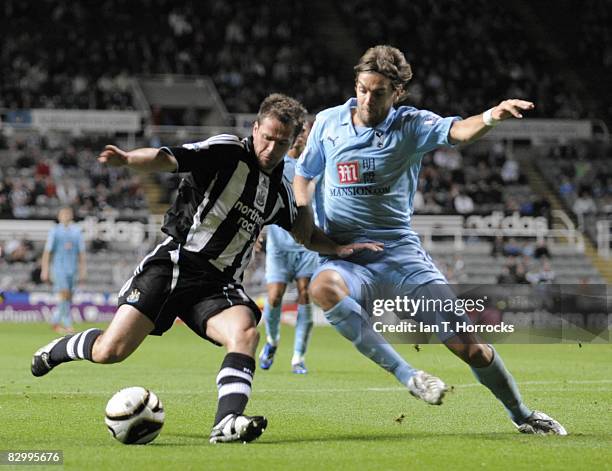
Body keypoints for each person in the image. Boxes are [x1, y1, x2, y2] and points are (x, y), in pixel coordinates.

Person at [31, 94, 381, 444]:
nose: (272, 148)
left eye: (282, 142)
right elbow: (170, 158)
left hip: (218, 284)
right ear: (255, 128)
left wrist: (336, 246)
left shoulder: (280, 193)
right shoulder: (227, 151)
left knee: (245, 333)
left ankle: (227, 421)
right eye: (268, 137)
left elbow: (305, 234)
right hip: (175, 264)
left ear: (293, 143)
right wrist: (128, 160)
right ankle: (56, 350)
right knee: (110, 351)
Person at [292, 45, 566, 435]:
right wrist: (306, 218)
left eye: (379, 92)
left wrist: (492, 115)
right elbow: (304, 174)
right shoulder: (329, 123)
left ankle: (522, 414)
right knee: (322, 288)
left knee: (468, 346)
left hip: (400, 255)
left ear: (398, 92)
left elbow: (457, 131)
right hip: (346, 255)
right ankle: (409, 376)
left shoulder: (412, 124)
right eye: (362, 89)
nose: (367, 100)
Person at [258, 121, 323, 374]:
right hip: (279, 245)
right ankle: (272, 341)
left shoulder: (316, 167)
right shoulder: (277, 165)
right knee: (274, 296)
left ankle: (298, 357)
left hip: (307, 244)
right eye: (294, 134)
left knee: (305, 293)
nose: (298, 138)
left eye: (302, 134)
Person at [41, 207, 86, 333]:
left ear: (71, 216)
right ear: (59, 216)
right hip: (59, 268)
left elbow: (81, 254)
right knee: (64, 294)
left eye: (68, 214)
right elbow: (47, 252)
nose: (66, 216)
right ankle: (67, 324)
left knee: (68, 297)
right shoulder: (54, 231)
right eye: (63, 214)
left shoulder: (77, 231)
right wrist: (45, 270)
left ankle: (55, 321)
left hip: (73, 269)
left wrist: (83, 271)